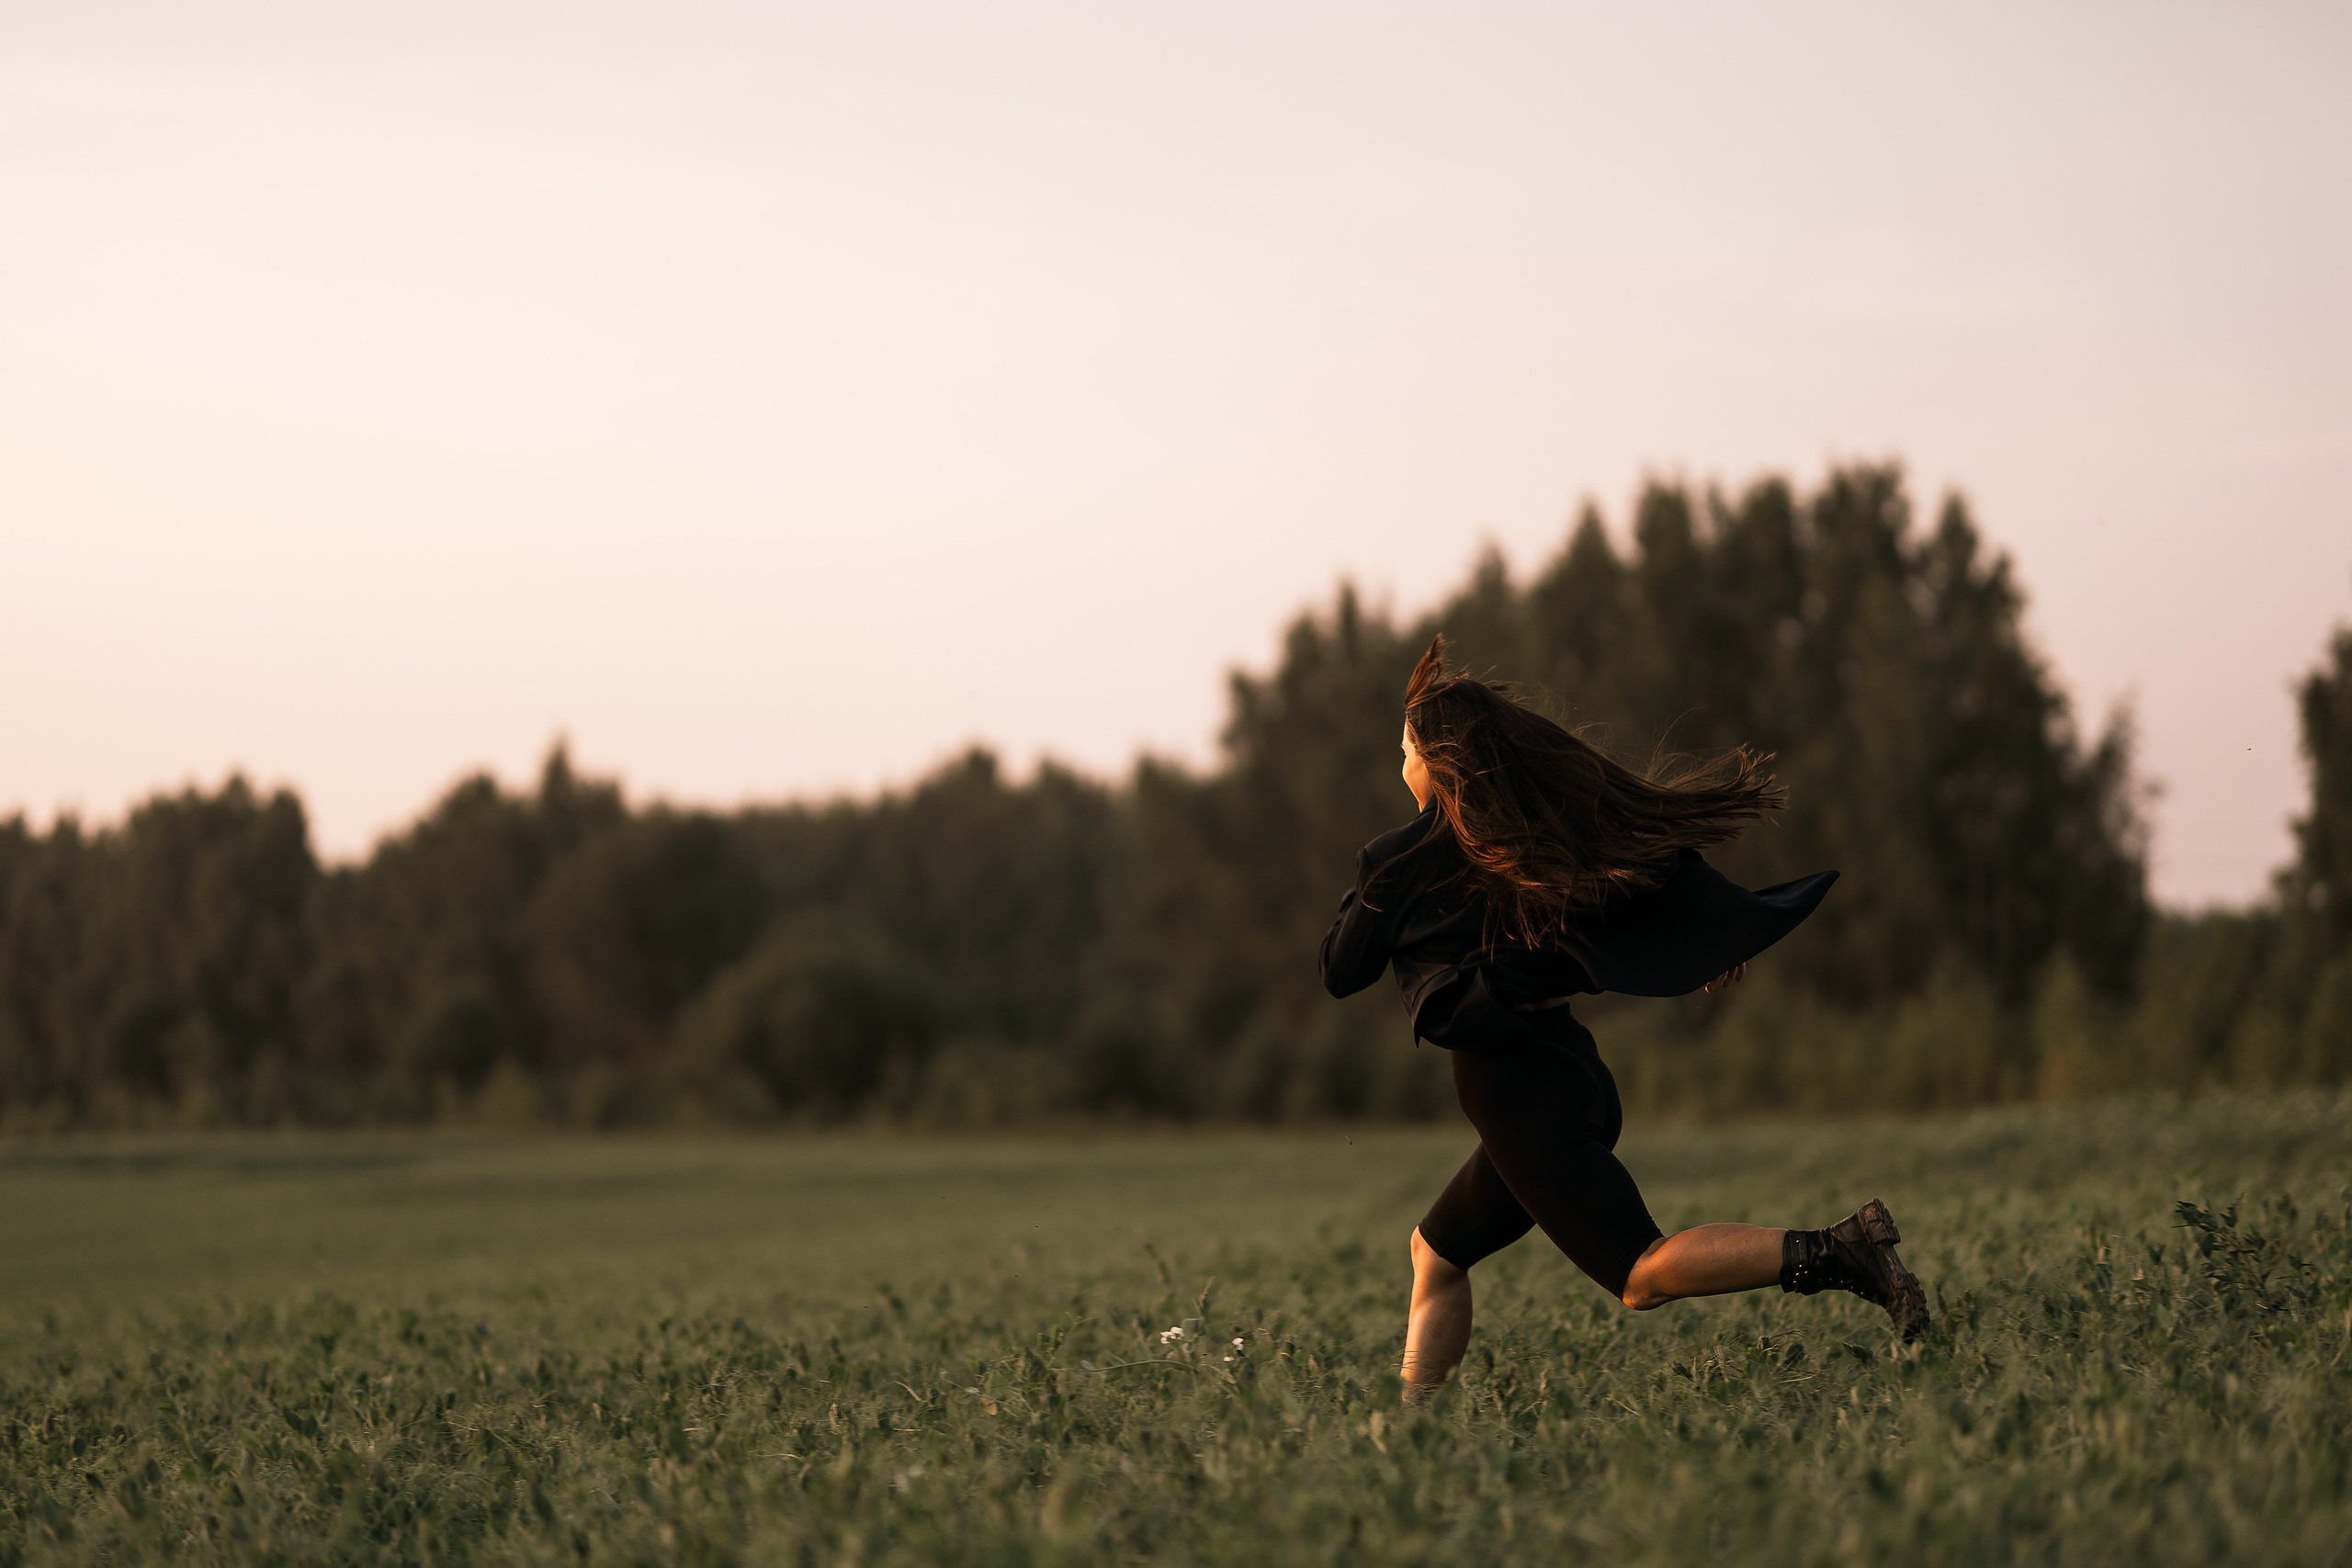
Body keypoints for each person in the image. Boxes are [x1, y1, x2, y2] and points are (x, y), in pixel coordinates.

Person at [1318, 636, 1927, 1404]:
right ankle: (1409, 1430)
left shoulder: (1400, 859)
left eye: (1404, 749)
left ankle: (1843, 1250)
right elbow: (1645, 866)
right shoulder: (1525, 834)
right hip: (1571, 1071)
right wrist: (1716, 932)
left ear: (1437, 762)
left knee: (1641, 1273)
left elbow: (1342, 971)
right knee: (1436, 1250)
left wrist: (1371, 878)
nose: (1399, 764)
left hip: (1517, 1093)